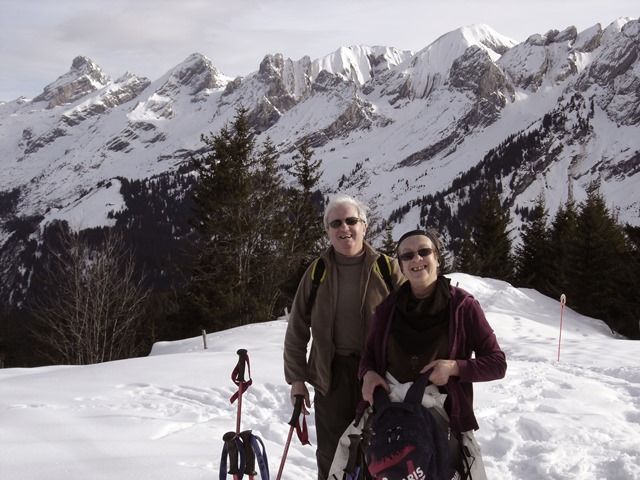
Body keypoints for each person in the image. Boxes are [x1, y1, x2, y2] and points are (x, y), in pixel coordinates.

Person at [359, 228, 507, 478]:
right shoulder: (387, 309)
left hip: (443, 420)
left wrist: (454, 368)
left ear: (437, 259)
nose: (416, 259)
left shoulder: (462, 307)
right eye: (407, 256)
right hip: (392, 417)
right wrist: (368, 374)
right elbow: (369, 356)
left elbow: (497, 363)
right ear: (402, 268)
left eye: (424, 252)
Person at [283, 193, 405, 480]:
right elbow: (297, 328)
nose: (344, 228)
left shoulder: (387, 269)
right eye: (335, 223)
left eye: (351, 221)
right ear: (327, 231)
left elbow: (413, 320)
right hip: (332, 376)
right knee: (332, 452)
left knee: (383, 452)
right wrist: (297, 380)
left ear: (364, 226)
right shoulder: (317, 272)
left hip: (380, 375)